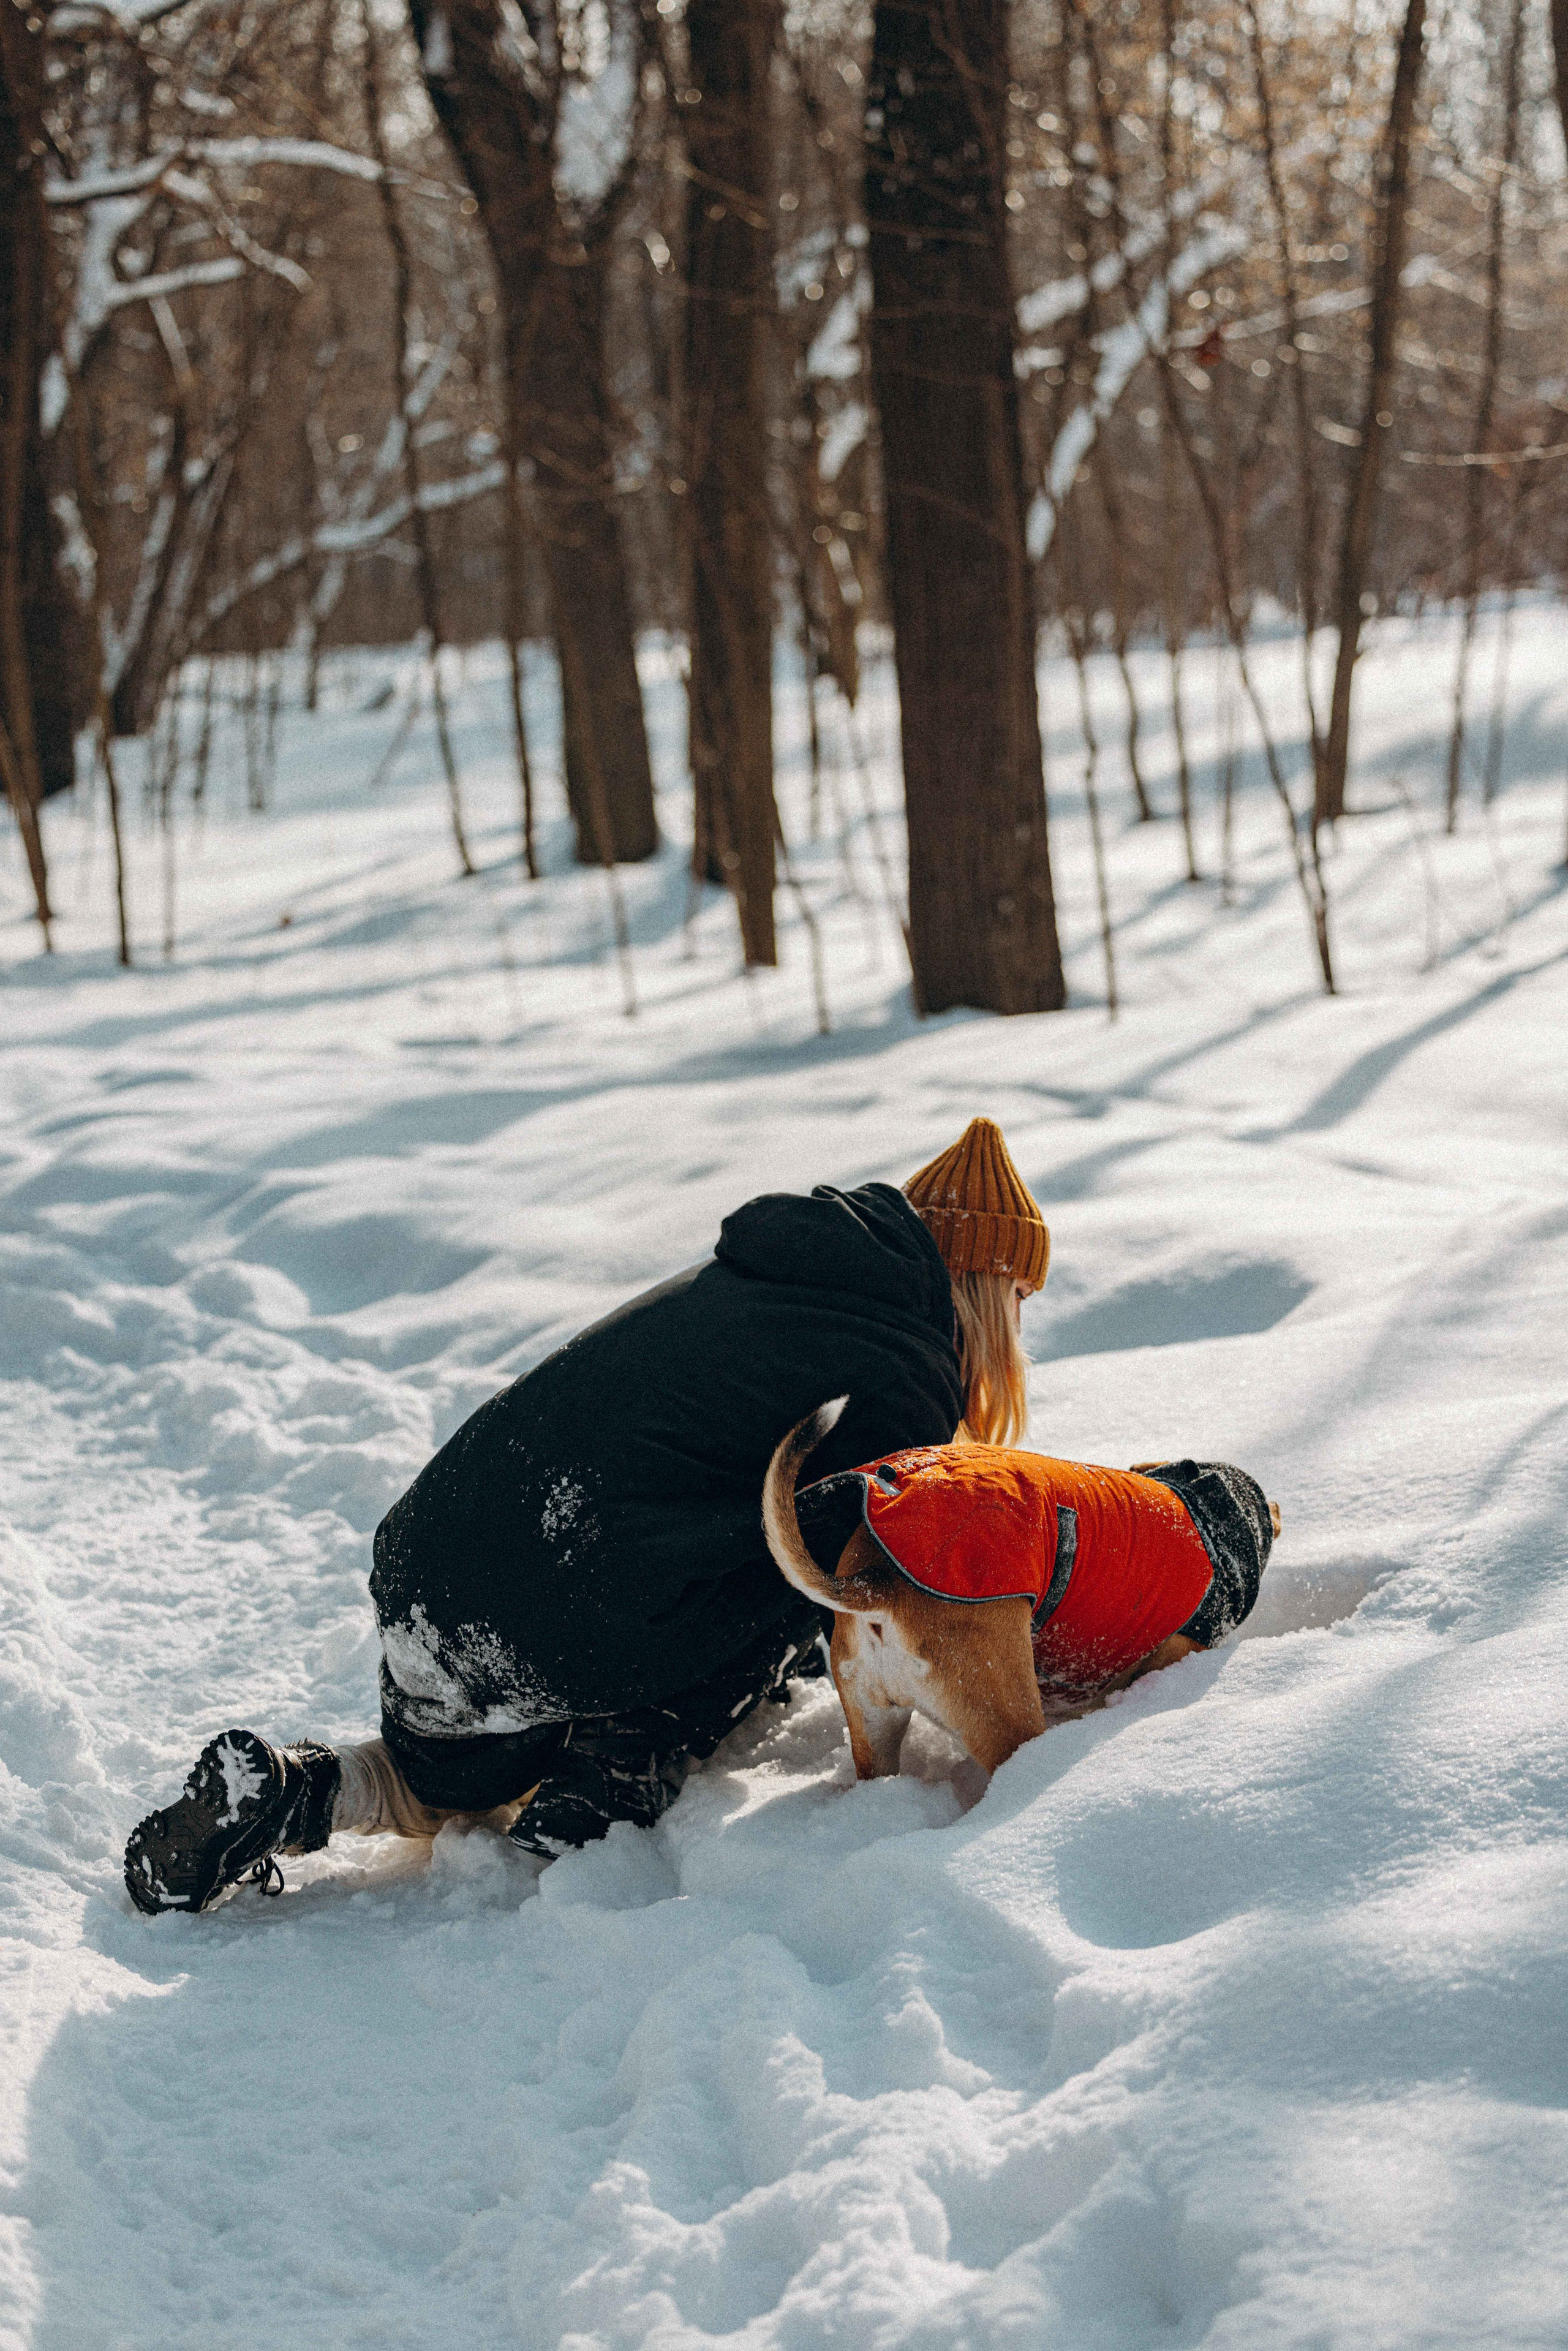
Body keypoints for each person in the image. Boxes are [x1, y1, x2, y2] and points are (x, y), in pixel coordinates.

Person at [124, 1118, 1050, 1914]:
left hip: (431, 1564)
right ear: (984, 1286)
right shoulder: (906, 1366)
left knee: (440, 1775)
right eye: (1018, 1301)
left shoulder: (781, 1275)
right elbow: (856, 1577)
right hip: (569, 1606)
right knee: (816, 1567)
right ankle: (619, 1758)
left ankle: (292, 1793)